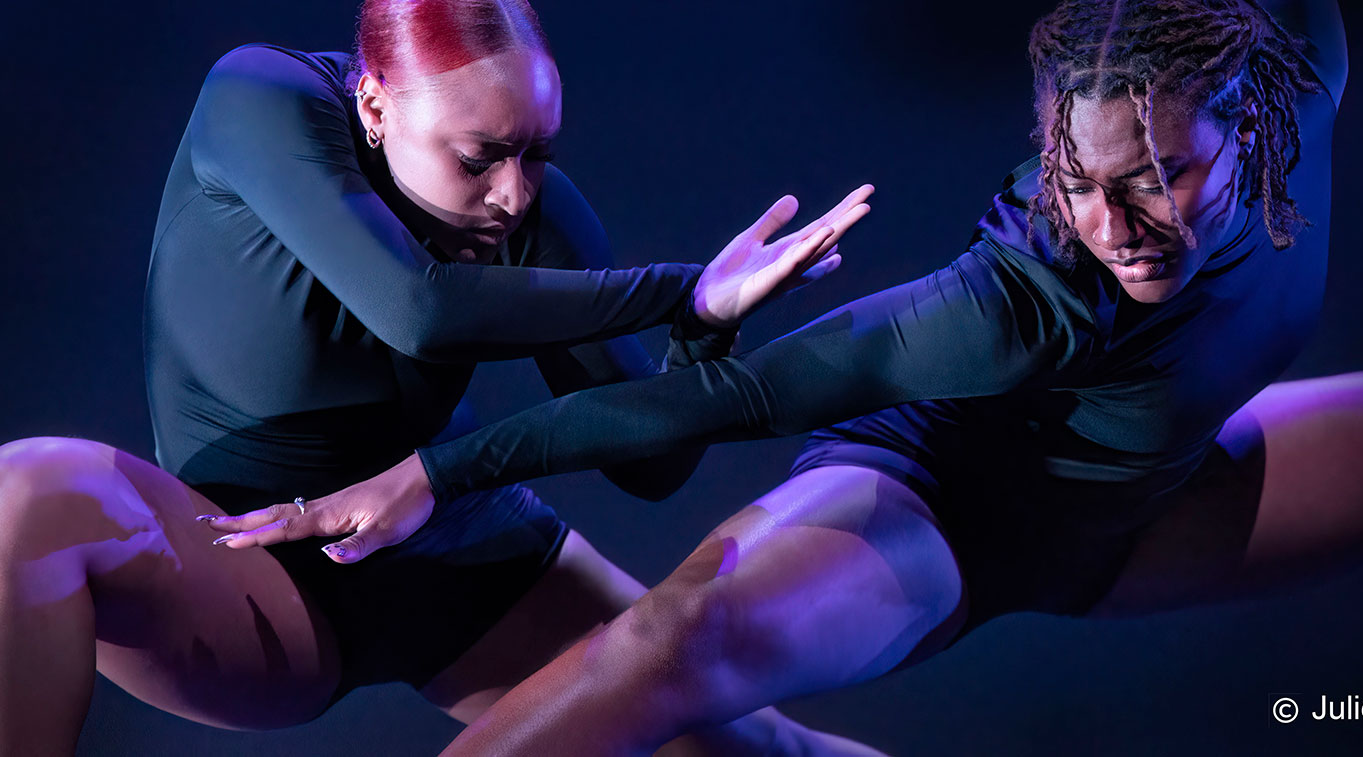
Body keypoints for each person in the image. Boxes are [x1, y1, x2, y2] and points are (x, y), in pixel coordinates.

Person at [213, 0, 1363, 752]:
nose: (1115, 226)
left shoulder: (1297, 64)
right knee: (675, 637)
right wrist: (439, 470)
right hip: (946, 516)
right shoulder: (1023, 296)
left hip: (1158, 501)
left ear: (1258, 119)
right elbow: (732, 397)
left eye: (1161, 178)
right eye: (1079, 183)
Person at [0, 1, 884, 755]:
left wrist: (706, 325)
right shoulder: (261, 98)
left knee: (754, 743)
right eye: (478, 158)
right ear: (374, 104)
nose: (514, 194)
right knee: (31, 494)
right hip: (252, 565)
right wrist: (681, 287)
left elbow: (652, 467)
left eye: (537, 154)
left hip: (453, 542)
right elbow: (418, 309)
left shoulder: (530, 212)